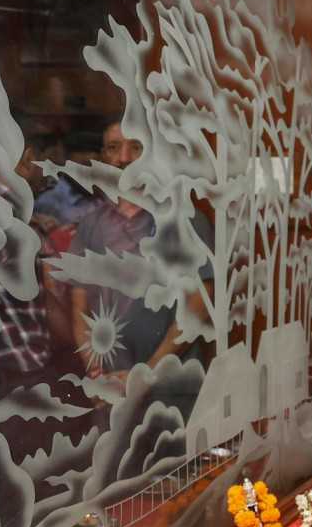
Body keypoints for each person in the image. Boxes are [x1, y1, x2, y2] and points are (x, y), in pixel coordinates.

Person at [69, 119, 212, 384]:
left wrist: (146, 376)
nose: (124, 158)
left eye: (136, 147)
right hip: (110, 389)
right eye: (113, 147)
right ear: (104, 157)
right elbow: (80, 306)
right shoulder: (90, 225)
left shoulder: (187, 221)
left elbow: (197, 308)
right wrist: (95, 371)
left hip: (172, 389)